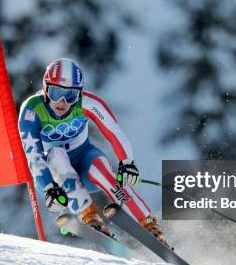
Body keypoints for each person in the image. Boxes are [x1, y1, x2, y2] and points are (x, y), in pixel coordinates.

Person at [18, 58, 169, 247]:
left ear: (79, 94)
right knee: (56, 154)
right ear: (45, 88)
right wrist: (48, 187)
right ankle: (90, 216)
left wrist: (127, 163)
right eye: (56, 93)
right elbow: (33, 156)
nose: (62, 102)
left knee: (101, 169)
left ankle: (149, 225)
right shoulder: (32, 110)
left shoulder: (87, 103)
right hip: (55, 181)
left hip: (85, 163)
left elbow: (113, 131)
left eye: (70, 95)